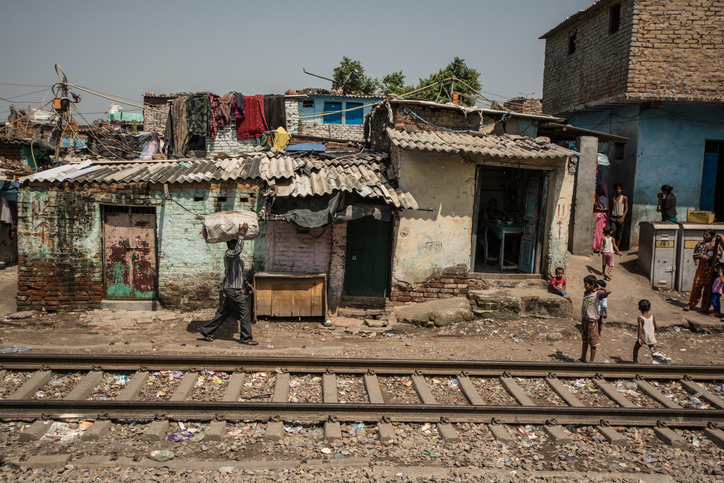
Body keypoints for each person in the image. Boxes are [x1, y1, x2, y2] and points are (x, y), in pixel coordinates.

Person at [200, 223, 258, 345]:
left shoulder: (238, 259)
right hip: (232, 289)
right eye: (235, 242)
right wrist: (241, 234)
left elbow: (240, 274)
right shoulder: (229, 255)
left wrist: (247, 284)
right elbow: (238, 250)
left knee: (225, 313)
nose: (237, 244)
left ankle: (206, 330)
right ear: (231, 244)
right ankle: (246, 338)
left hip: (233, 288)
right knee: (244, 313)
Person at [684, 230, 720, 313]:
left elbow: (719, 255)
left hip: (711, 270)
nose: (705, 236)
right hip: (701, 269)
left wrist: (710, 258)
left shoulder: (715, 245)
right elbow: (695, 255)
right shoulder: (700, 244)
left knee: (708, 289)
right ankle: (691, 304)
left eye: (707, 235)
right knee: (696, 286)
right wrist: (701, 256)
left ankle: (704, 306)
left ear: (712, 236)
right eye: (704, 234)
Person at [580, 275, 611, 363]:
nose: (585, 286)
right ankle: (583, 357)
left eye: (586, 284)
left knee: (593, 343)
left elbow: (609, 291)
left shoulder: (598, 294)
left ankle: (591, 361)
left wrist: (601, 288)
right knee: (585, 340)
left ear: (592, 284)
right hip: (585, 320)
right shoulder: (586, 293)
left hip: (592, 322)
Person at [633, 299, 657, 363]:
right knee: (654, 351)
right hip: (651, 336)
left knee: (636, 348)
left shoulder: (640, 318)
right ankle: (657, 362)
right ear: (649, 308)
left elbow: (640, 328)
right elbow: (655, 326)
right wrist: (653, 334)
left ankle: (635, 361)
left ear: (639, 308)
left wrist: (639, 338)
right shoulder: (652, 317)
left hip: (644, 337)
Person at [609, 183, 628, 249]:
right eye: (617, 189)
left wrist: (623, 217)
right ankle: (613, 247)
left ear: (621, 190)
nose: (618, 190)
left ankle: (617, 247)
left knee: (619, 233)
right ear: (614, 190)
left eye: (619, 189)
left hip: (620, 217)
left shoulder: (624, 198)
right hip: (613, 217)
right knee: (613, 232)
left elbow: (626, 208)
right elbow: (611, 208)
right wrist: (609, 217)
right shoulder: (612, 198)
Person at [593, 184, 609, 252]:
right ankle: (595, 246)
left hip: (601, 218)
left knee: (600, 232)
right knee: (596, 232)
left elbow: (606, 209)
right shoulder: (596, 198)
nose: (598, 190)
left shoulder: (604, 199)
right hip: (596, 216)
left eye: (599, 188)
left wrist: (597, 209)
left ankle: (600, 246)